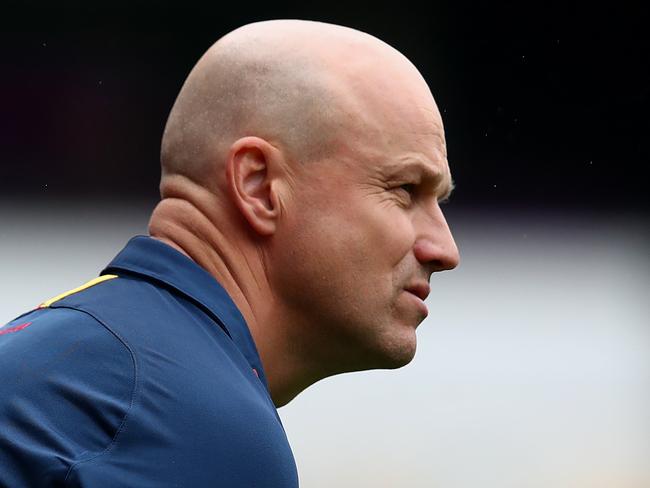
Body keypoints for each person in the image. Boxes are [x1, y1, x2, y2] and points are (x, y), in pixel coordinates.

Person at [0, 19, 459, 487]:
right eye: (405, 190)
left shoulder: (70, 357)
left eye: (438, 203)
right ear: (258, 186)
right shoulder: (187, 424)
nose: (445, 250)